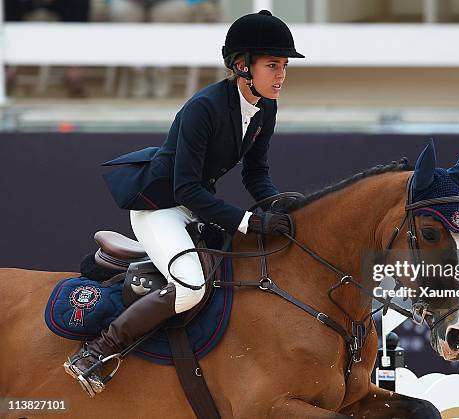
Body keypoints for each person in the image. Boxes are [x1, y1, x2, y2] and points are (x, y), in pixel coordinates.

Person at [63, 10, 304, 396]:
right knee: (191, 285)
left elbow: (255, 172)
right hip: (160, 207)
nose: (281, 75)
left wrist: (280, 205)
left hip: (193, 205)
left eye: (285, 66)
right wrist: (249, 221)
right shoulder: (203, 108)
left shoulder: (266, 107)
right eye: (272, 65)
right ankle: (97, 352)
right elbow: (185, 190)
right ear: (242, 66)